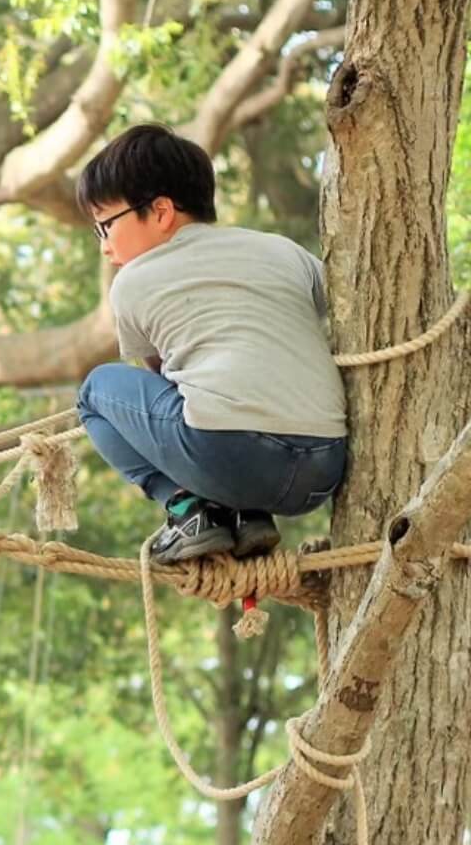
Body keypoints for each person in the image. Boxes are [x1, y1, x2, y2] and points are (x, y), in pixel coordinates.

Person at [74, 123, 348, 563]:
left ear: (161, 211)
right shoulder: (283, 251)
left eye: (105, 225)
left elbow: (166, 383)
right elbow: (333, 306)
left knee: (94, 393)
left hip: (229, 457)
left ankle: (189, 511)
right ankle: (247, 516)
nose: (104, 245)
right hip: (323, 468)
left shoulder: (131, 283)